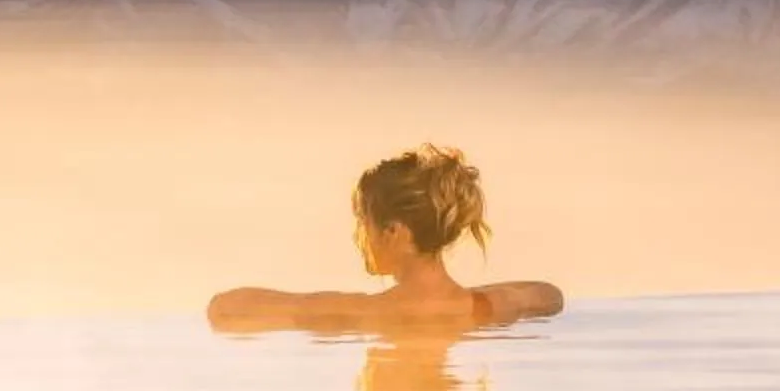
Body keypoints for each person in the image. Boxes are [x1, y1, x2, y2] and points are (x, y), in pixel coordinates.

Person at [206, 144, 565, 333]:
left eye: (363, 223)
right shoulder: (493, 307)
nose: (359, 236)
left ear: (393, 232)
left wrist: (308, 305)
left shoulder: (363, 312)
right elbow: (549, 294)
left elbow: (225, 308)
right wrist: (454, 296)